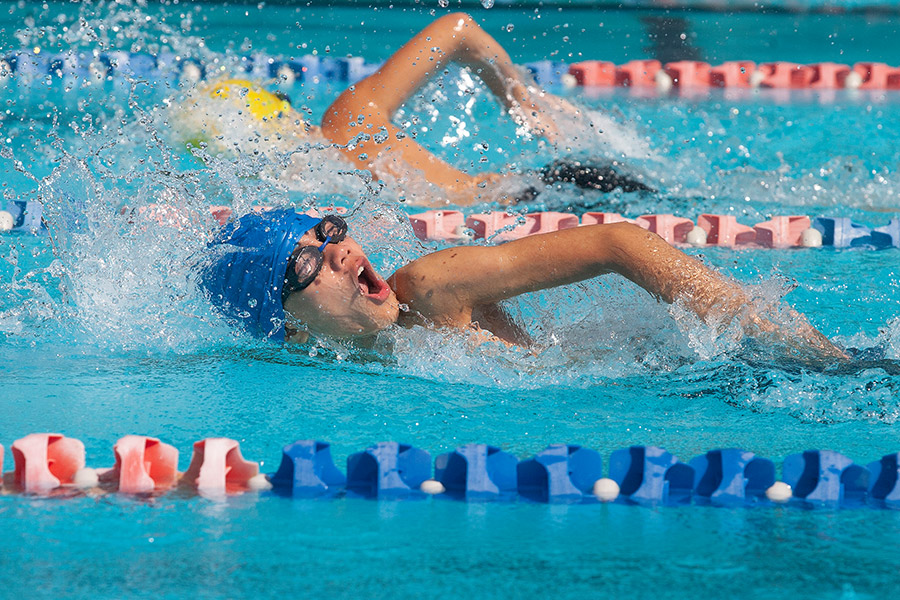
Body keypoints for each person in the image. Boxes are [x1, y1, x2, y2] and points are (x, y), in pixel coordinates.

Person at [199, 208, 847, 362]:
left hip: (685, 374)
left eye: (328, 232)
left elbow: (616, 241)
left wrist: (795, 348)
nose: (340, 254)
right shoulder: (320, 377)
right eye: (306, 264)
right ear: (284, 326)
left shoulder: (429, 291)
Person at [178, 13, 652, 206]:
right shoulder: (340, 137)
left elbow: (458, 27)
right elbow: (460, 29)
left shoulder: (343, 130)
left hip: (558, 191)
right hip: (541, 195)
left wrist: (519, 97)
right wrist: (512, 96)